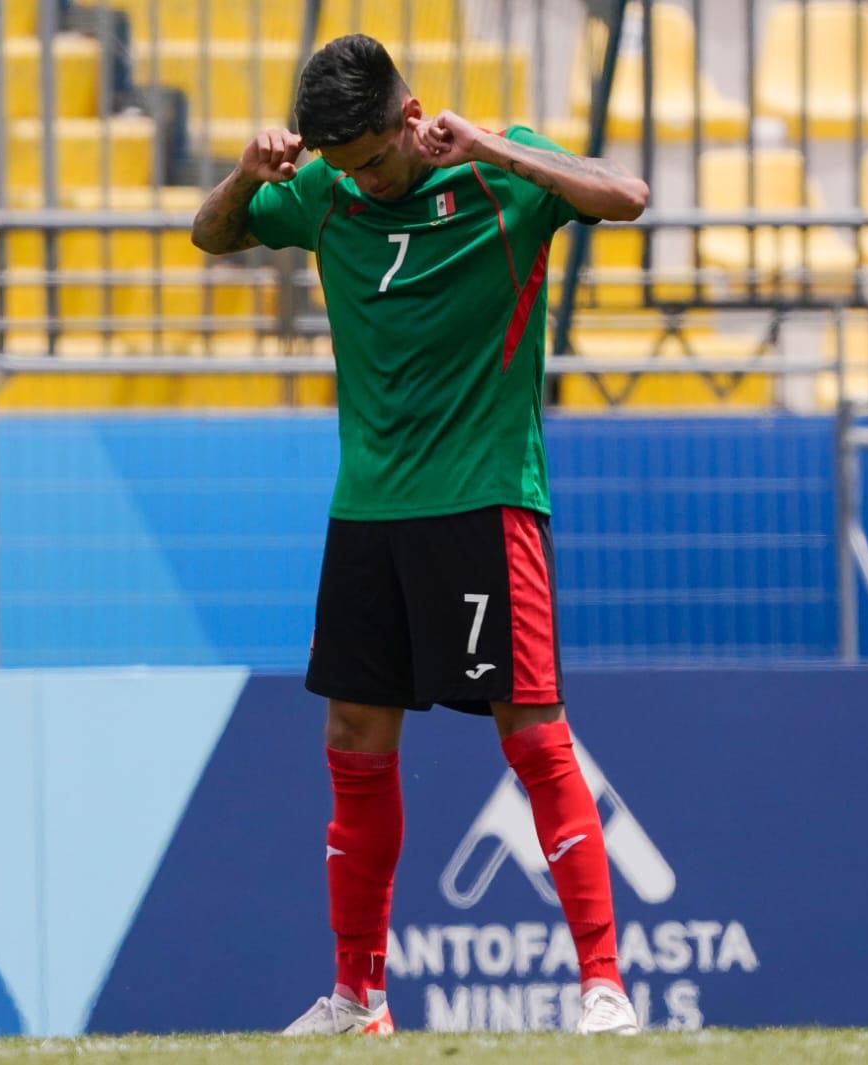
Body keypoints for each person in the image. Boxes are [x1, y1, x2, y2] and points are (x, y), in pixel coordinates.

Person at [192, 33, 650, 1037]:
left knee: (528, 731)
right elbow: (210, 236)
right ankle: (359, 999)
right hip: (367, 513)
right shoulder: (325, 192)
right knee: (354, 739)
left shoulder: (499, 179)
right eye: (337, 166)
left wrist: (494, 147)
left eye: (367, 160)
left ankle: (603, 987)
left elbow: (626, 195)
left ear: (409, 120)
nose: (356, 182)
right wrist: (243, 175)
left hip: (483, 500)